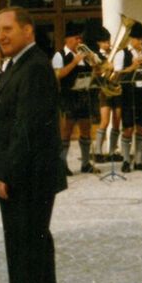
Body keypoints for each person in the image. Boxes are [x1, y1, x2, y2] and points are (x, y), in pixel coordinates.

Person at [0, 7, 66, 283]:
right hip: (31, 176)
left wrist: (7, 173)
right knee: (35, 245)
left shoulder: (34, 67)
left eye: (8, 29)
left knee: (24, 246)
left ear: (28, 30)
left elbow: (26, 128)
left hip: (28, 178)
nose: (1, 35)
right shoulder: (22, 65)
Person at [53, 21, 93, 175]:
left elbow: (93, 73)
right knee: (66, 132)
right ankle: (62, 164)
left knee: (86, 129)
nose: (79, 41)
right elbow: (58, 74)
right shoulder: (59, 55)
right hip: (67, 96)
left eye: (80, 39)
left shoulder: (83, 55)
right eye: (76, 38)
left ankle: (85, 163)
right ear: (67, 40)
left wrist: (94, 65)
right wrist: (74, 62)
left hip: (83, 95)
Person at [114, 22, 142, 173]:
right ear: (131, 39)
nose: (141, 42)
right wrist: (132, 66)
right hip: (128, 94)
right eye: (138, 39)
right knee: (128, 128)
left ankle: (139, 160)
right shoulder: (121, 54)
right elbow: (116, 76)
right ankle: (125, 160)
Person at [89, 28, 120, 163]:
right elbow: (96, 73)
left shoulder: (114, 54)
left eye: (108, 41)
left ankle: (112, 151)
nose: (108, 44)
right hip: (104, 91)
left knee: (117, 121)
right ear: (99, 43)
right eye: (105, 42)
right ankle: (98, 151)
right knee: (105, 121)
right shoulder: (96, 56)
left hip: (116, 90)